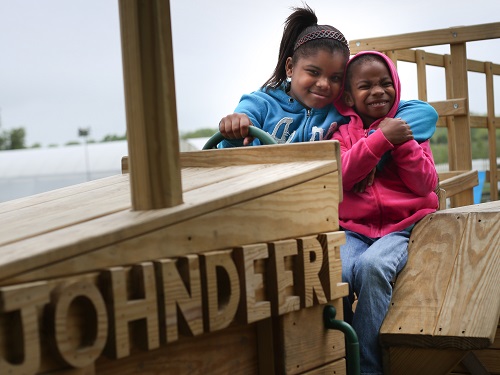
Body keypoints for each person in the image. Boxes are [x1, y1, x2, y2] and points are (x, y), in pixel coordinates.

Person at [332, 50, 439, 374]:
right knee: (336, 273)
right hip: (352, 229)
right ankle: (341, 355)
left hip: (401, 228)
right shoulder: (341, 134)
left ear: (396, 86)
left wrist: (399, 141)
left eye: (385, 83)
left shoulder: (410, 130)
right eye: (366, 86)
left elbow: (425, 184)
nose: (378, 91)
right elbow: (344, 176)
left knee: (372, 267)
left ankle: (367, 366)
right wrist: (378, 141)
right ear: (349, 96)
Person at [217, 5, 437, 149]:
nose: (324, 84)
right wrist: (234, 130)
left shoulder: (345, 106)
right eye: (313, 72)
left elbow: (424, 114)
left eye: (336, 78)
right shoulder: (260, 104)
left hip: (325, 203)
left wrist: (374, 141)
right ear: (291, 67)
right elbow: (230, 150)